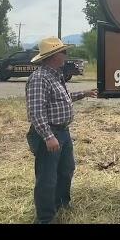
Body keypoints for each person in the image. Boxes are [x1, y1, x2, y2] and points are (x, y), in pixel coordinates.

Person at [25, 36, 97, 224]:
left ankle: (62, 203)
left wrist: (85, 93)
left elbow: (64, 99)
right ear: (53, 56)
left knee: (66, 169)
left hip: (63, 132)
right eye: (63, 52)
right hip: (49, 134)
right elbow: (36, 112)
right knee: (47, 177)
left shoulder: (55, 75)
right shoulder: (39, 78)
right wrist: (48, 136)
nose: (66, 56)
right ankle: (46, 218)